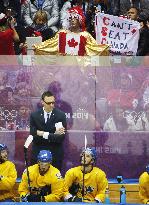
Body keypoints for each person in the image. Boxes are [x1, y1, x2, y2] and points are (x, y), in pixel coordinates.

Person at [34, 6, 109, 56]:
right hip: (64, 68)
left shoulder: (85, 35)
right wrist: (37, 47)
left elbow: (94, 48)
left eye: (74, 18)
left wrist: (104, 48)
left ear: (79, 20)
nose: (72, 20)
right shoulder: (62, 33)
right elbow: (50, 45)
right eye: (70, 18)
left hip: (80, 68)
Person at [30, 91, 67, 170]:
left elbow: (60, 138)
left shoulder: (60, 115)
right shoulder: (34, 115)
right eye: (49, 103)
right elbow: (33, 135)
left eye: (53, 103)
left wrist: (42, 133)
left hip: (55, 154)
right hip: (38, 152)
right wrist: (53, 135)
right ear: (42, 102)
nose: (52, 105)